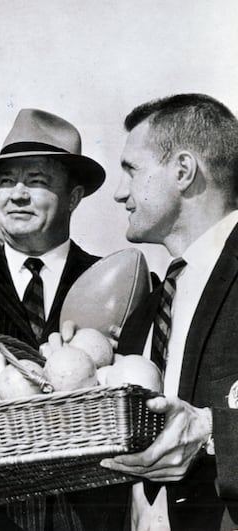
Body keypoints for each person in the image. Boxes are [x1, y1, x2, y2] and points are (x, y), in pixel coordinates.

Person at [0, 109, 129, 530]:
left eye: (36, 181)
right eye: (5, 182)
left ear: (74, 196)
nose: (17, 194)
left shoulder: (120, 286)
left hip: (101, 517)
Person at [99, 93, 238, 531]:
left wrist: (212, 431)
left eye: (131, 170)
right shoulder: (146, 311)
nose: (120, 193)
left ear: (183, 170)